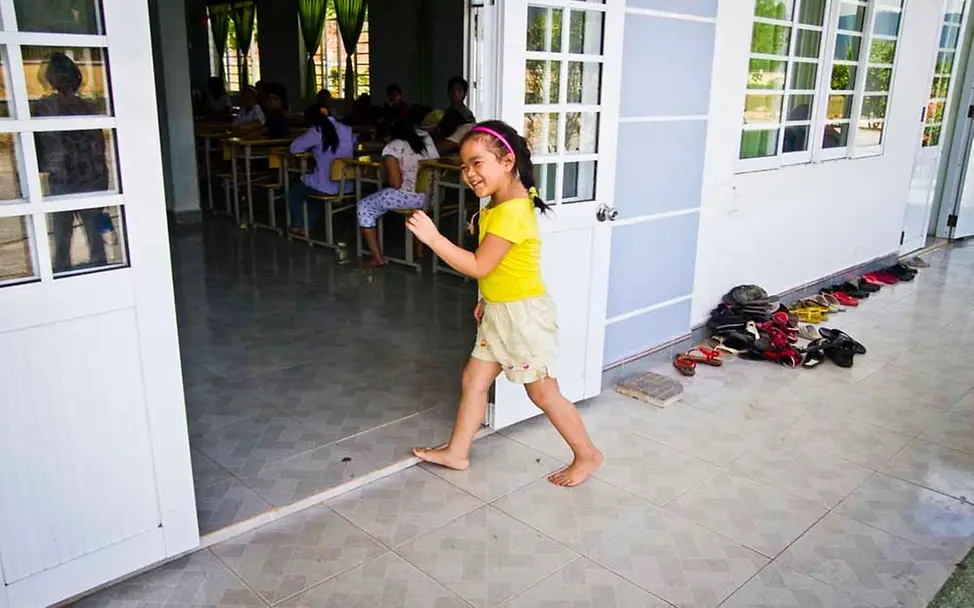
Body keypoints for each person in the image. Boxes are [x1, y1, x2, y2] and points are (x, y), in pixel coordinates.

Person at [404, 120, 602, 487]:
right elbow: (496, 270)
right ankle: (457, 453)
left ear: (507, 161)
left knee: (542, 392)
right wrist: (488, 300)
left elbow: (479, 264)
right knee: (474, 379)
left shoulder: (512, 211)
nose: (469, 174)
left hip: (522, 317)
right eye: (464, 166)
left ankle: (587, 454)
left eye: (478, 163)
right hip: (499, 312)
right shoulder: (499, 204)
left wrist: (433, 238)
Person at [34, 52, 109, 272]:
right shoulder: (89, 107)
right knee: (95, 237)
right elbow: (98, 148)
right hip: (91, 178)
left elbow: (38, 148)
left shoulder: (44, 108)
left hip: (63, 178)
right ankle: (101, 270)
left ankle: (62, 273)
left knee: (61, 235)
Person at [358, 119, 438, 266]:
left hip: (410, 197)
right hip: (434, 196)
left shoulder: (392, 147)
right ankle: (419, 251)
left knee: (364, 206)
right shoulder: (426, 139)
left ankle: (377, 258)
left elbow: (395, 183)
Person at [287, 104, 356, 234]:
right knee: (314, 196)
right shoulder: (347, 129)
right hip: (346, 184)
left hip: (326, 183)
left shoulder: (317, 131)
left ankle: (299, 224)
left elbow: (294, 148)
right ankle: (307, 225)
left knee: (294, 193)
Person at [434, 76, 476, 154]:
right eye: (452, 90)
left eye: (459, 90)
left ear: (464, 94)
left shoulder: (466, 114)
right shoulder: (448, 112)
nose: (455, 93)